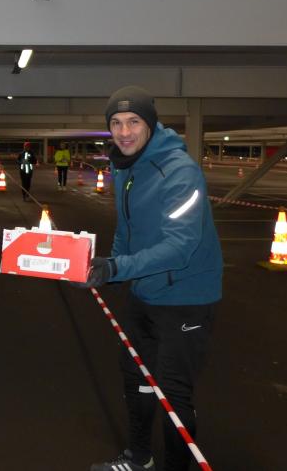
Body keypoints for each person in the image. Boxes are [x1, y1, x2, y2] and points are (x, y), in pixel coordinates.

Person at [82, 86, 222, 471]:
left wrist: (117, 268)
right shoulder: (125, 166)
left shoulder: (179, 172)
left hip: (186, 298)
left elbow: (180, 248)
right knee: (136, 378)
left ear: (150, 124)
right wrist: (106, 270)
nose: (124, 132)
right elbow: (126, 230)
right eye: (116, 123)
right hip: (145, 292)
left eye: (133, 121)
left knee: (173, 395)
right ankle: (139, 458)